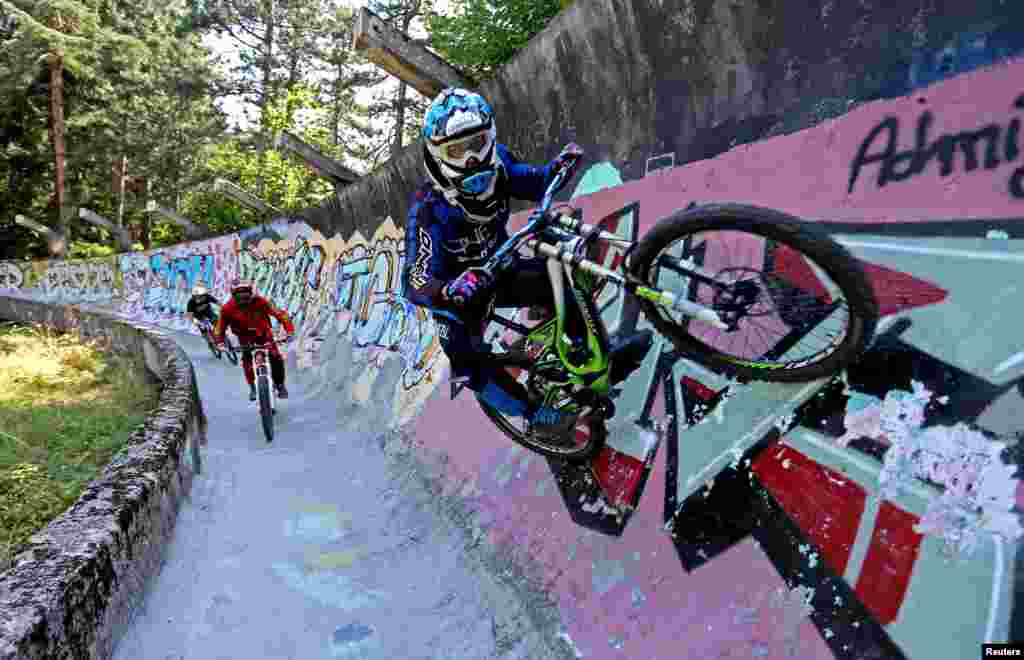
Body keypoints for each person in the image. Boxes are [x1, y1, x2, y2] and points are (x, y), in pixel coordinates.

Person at [402, 87, 635, 437]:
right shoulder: (428, 208)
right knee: (469, 367)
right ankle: (533, 415)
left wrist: (558, 168)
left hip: (500, 271)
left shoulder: (501, 163)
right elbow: (414, 279)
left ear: (491, 136)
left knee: (561, 282)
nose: (471, 159)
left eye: (477, 143)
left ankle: (593, 363)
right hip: (457, 299)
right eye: (456, 150)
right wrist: (449, 289)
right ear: (436, 153)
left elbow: (534, 181)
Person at [214, 279, 295, 401]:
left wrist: (290, 330)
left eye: (246, 296)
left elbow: (279, 313)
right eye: (239, 297)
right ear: (233, 296)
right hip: (244, 337)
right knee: (247, 359)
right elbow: (219, 328)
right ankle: (252, 387)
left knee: (275, 356)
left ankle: (280, 385)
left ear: (251, 293)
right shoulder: (227, 309)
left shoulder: (261, 301)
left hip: (264, 333)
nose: (243, 300)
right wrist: (219, 342)